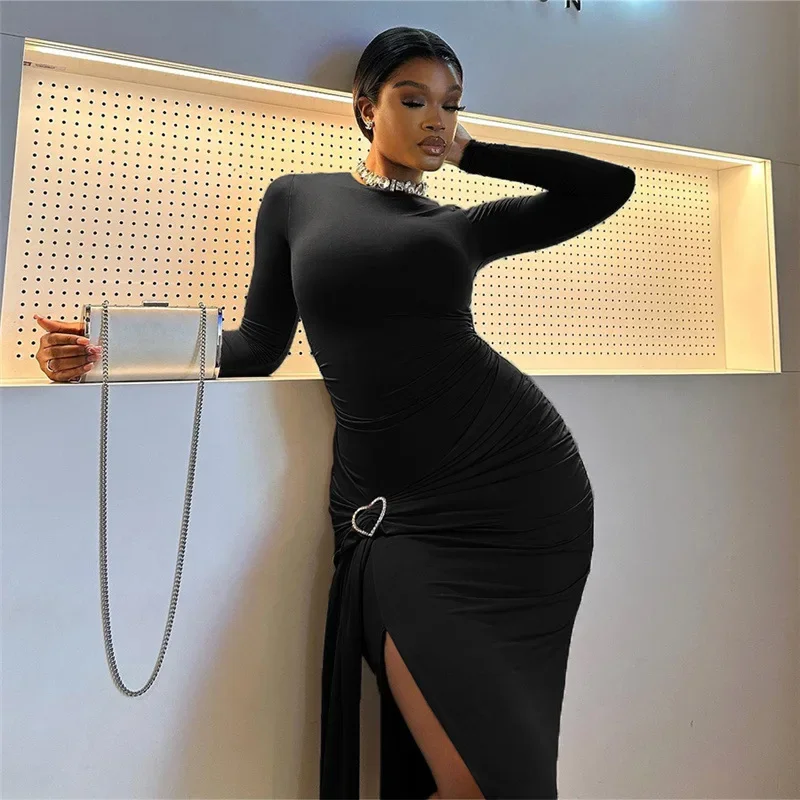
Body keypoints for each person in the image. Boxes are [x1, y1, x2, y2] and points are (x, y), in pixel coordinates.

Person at [35, 25, 635, 800]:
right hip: (397, 513)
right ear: (365, 106)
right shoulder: (298, 199)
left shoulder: (459, 227)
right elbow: (256, 345)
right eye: (412, 100)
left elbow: (610, 186)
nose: (434, 118)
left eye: (450, 105)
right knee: (481, 777)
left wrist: (471, 152)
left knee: (502, 774)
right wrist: (105, 349)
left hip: (519, 495)